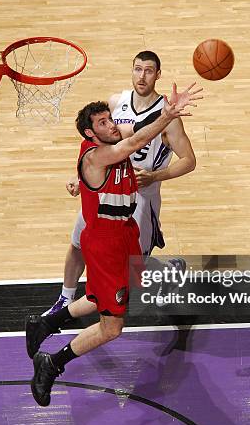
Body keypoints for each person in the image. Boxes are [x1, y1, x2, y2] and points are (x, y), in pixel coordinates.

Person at [27, 83, 202, 406]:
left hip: (126, 232)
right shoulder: (99, 155)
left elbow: (139, 128)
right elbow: (136, 140)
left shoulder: (110, 138)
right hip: (105, 242)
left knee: (98, 295)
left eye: (110, 119)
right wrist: (168, 114)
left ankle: (46, 322)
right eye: (103, 123)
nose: (112, 125)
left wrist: (169, 114)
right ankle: (51, 364)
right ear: (89, 135)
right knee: (112, 329)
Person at [43, 51, 196, 315]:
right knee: (78, 242)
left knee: (133, 267)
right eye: (138, 69)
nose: (142, 76)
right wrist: (81, 176)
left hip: (140, 197)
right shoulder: (117, 102)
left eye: (149, 71)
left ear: (158, 74)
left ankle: (168, 271)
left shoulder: (169, 117)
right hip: (105, 191)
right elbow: (98, 143)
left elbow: (189, 161)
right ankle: (65, 299)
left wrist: (155, 176)